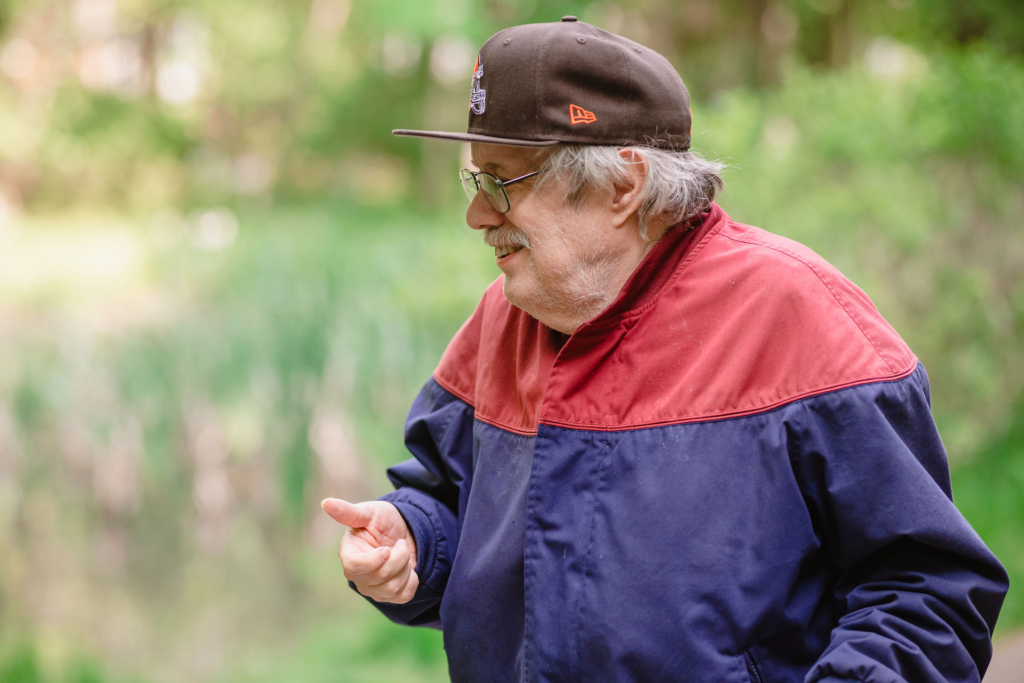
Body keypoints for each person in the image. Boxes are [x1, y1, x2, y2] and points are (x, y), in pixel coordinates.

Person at [321, 17, 1008, 683]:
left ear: (623, 186)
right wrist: (411, 540)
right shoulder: (504, 316)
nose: (477, 214)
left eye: (503, 181)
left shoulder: (803, 319)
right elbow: (446, 496)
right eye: (476, 179)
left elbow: (929, 593)